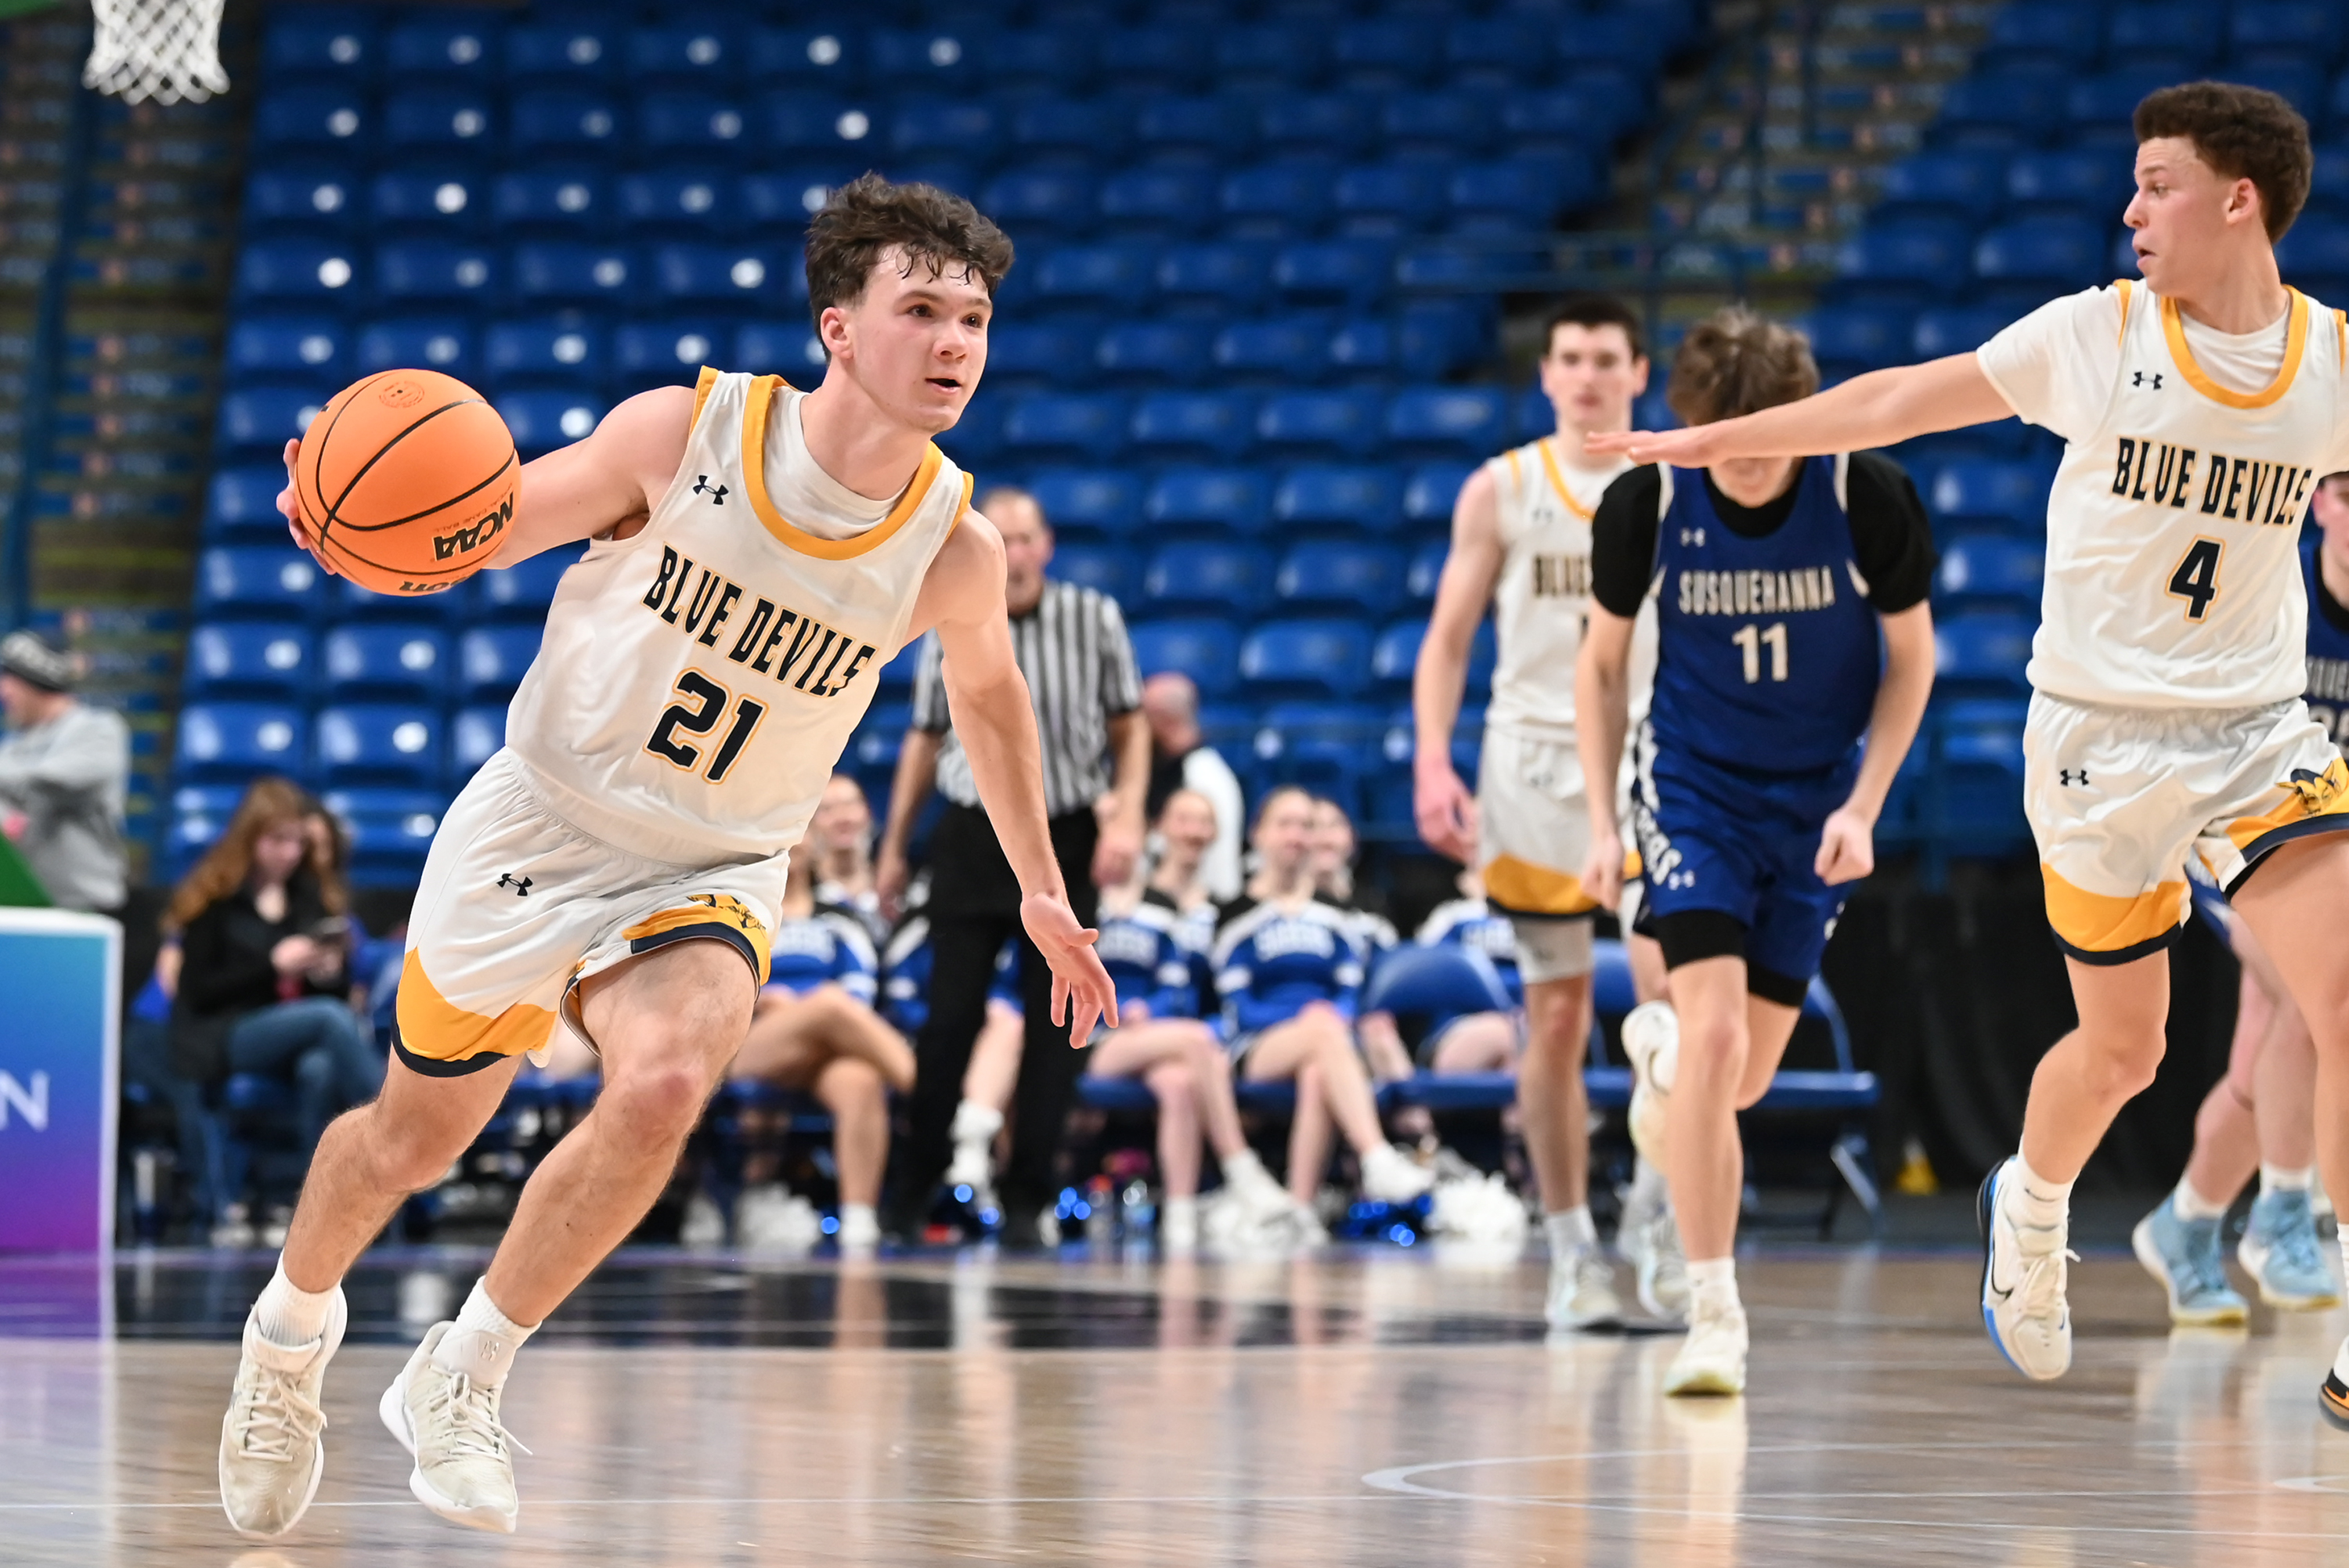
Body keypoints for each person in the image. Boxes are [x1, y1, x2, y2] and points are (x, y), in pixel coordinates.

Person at [218, 173, 1118, 1541]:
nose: (952, 344)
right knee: (409, 1137)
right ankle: (287, 1341)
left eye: (975, 320)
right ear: (838, 326)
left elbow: (991, 702)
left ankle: (464, 1374)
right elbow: (484, 522)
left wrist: (1043, 887)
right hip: (543, 820)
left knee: (670, 1080)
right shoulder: (683, 432)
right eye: (921, 308)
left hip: (714, 861)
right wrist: (357, 532)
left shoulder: (955, 545)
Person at [1589, 85, 2349, 1411]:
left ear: (2241, 199)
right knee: (2127, 1052)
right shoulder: (2098, 336)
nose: (2130, 209)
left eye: (2156, 183)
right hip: (2098, 744)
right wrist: (1715, 439)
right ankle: (2034, 1205)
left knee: (2343, 995)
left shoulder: (2330, 363)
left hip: (2256, 732)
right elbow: (1892, 403)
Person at [1578, 307, 1938, 1395]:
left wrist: (1866, 804)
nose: (1742, 463)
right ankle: (1714, 1311)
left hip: (1816, 797)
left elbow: (1912, 662)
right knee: (1720, 1028)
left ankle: (1665, 1059)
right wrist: (1604, 820)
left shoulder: (1863, 494)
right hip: (1695, 786)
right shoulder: (1648, 500)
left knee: (1737, 1077)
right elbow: (1599, 669)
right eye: (1720, 442)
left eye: (1766, 438)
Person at [1411, 294, 1685, 1330]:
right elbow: (1446, 639)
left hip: (1654, 758)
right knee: (1558, 1016)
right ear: (1546, 374)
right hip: (1528, 766)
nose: (1585, 375)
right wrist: (1434, 760)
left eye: (1604, 359)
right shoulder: (1504, 486)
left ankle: (1657, 1217)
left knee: (1673, 1013)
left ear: (1637, 370)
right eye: (1568, 358)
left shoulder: (1673, 480)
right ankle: (1572, 1248)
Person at [875, 482, 1149, 1248]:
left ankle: (1030, 1193)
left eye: (1029, 538)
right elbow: (925, 737)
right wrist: (896, 844)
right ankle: (914, 1191)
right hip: (969, 832)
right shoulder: (955, 609)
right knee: (950, 1021)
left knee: (1058, 1026)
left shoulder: (1094, 617)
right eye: (1006, 538)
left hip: (1064, 829)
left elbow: (1132, 729)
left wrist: (1127, 811)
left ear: (1047, 546)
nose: (1018, 553)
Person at [2133, 469, 2349, 1320]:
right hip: (2232, 836)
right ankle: (2283, 1212)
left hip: (2325, 847)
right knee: (2319, 989)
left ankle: (2187, 1220)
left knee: (2266, 1060)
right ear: (2321, 501)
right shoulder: (2272, 593)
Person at [164, 777, 381, 1243]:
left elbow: (332, 991)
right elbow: (197, 992)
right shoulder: (216, 899)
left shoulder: (303, 897)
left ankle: (313, 1206)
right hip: (221, 1034)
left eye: (296, 843)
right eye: (277, 840)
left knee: (320, 1067)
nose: (288, 853)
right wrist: (272, 965)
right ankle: (400, 1124)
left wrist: (325, 970)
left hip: (286, 1033)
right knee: (327, 1019)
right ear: (251, 838)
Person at [1084, 788, 1303, 1249]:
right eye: (1182, 818)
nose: (1193, 831)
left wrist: (1157, 1014)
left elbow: (1188, 988)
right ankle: (1242, 1170)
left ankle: (1181, 1216)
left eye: (1204, 820)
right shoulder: (1094, 902)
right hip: (1098, 1038)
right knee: (1198, 1042)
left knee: (1181, 1082)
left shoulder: (1191, 911)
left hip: (1162, 1039)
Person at [1212, 787, 1437, 1215]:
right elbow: (1239, 1008)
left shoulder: (1335, 912)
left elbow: (1351, 995)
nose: (1297, 835)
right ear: (1258, 834)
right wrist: (1305, 1020)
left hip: (1326, 1043)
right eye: (1286, 824)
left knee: (1319, 1071)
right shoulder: (1235, 913)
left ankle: (1299, 1209)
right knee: (1324, 1035)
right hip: (1257, 1045)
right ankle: (1376, 1155)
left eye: (1306, 826)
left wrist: (1326, 1019)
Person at [725, 841, 913, 1254]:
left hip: (826, 1048)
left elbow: (859, 996)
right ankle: (931, 1096)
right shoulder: (736, 911)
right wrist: (767, 1002)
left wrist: (808, 1016)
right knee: (827, 1004)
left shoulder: (839, 920)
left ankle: (860, 1222)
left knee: (860, 1079)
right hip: (747, 1043)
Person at [0, 628, 129, 914]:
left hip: (88, 906)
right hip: (24, 906)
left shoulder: (99, 730)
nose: (3, 691)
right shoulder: (12, 747)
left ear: (35, 681)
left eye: (10, 679)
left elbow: (52, 780)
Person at [1141, 670, 1245, 902]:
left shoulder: (1205, 776)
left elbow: (1217, 856)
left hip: (1199, 904)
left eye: (1145, 717)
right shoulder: (1169, 767)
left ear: (1163, 719)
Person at [808, 771, 889, 944]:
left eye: (850, 805)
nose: (842, 818)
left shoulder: (899, 892)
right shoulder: (801, 897)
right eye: (828, 809)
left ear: (869, 813)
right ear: (810, 824)